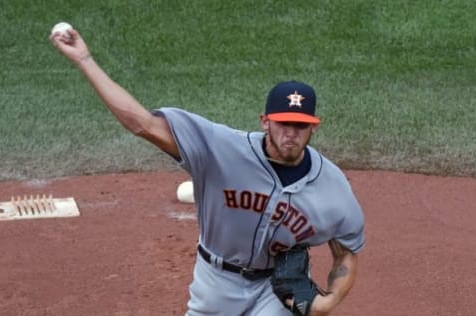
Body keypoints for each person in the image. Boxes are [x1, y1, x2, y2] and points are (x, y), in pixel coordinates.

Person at [50, 26, 365, 316]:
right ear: (265, 121)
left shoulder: (332, 186)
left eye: (301, 126)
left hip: (276, 291)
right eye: (283, 123)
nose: (291, 133)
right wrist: (84, 59)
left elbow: (345, 252)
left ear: (313, 129)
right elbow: (142, 124)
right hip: (216, 283)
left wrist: (328, 303)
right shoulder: (220, 149)